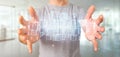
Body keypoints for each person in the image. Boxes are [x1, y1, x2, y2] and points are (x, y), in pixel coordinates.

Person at [18, 0, 105, 57]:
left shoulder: (78, 11)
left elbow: (86, 24)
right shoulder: (39, 13)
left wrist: (90, 29)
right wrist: (24, 37)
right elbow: (25, 34)